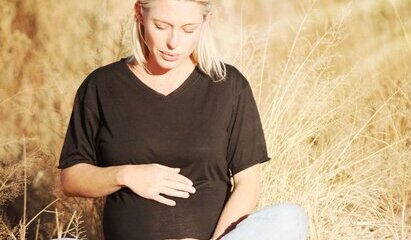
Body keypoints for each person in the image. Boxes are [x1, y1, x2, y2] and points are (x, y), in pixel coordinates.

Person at [55, 0, 309, 239]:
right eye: (161, 26)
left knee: (290, 217)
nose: (173, 43)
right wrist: (126, 174)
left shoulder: (229, 86)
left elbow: (248, 183)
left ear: (206, 22)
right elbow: (72, 178)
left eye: (188, 29)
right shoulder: (102, 86)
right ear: (139, 13)